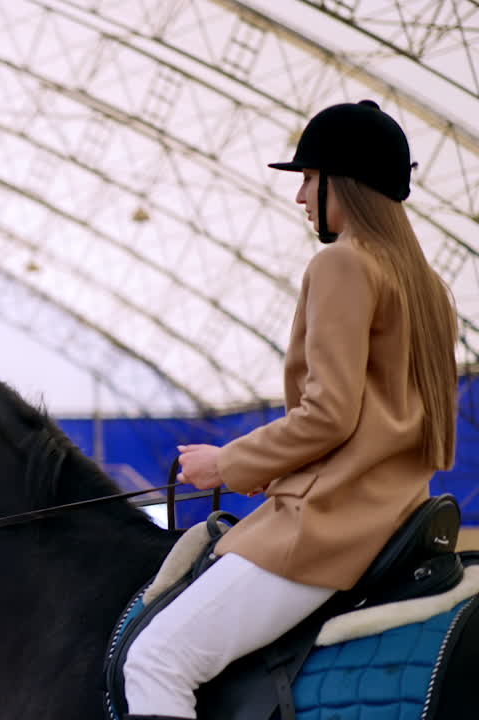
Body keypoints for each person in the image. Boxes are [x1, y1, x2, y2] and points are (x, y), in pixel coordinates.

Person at [121, 100, 459, 720]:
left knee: (155, 661)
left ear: (344, 183)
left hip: (334, 525)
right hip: (402, 513)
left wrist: (227, 463)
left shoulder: (342, 264)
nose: (300, 196)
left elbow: (329, 414)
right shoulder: (428, 286)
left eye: (308, 178)